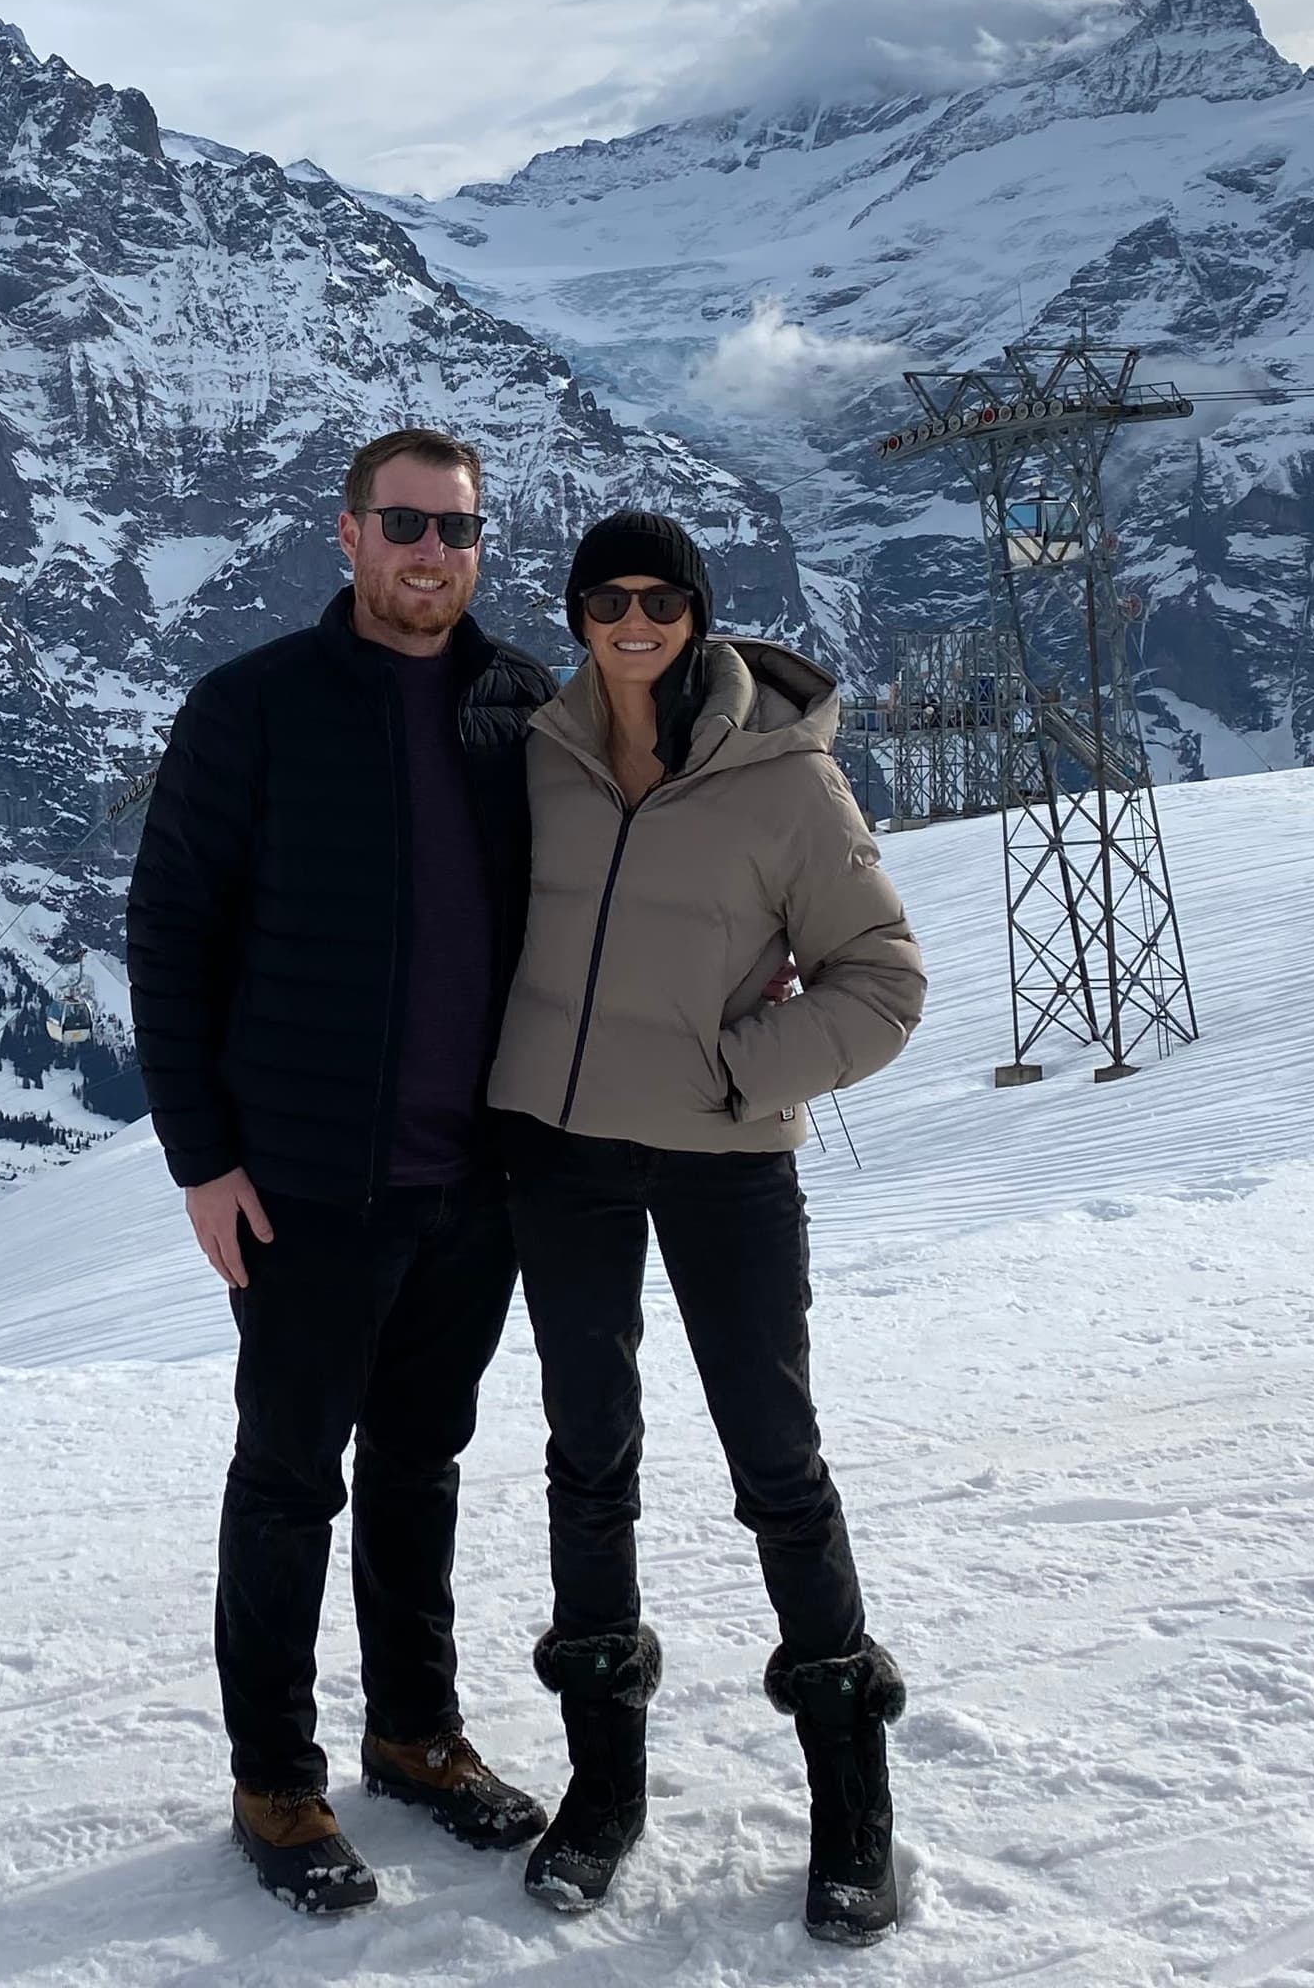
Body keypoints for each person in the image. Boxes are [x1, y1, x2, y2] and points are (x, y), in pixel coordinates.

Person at [126, 426, 562, 1915]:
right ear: (348, 534)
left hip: (474, 1182)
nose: (433, 552)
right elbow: (171, 936)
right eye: (406, 524)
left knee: (421, 1468)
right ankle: (276, 1780)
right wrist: (204, 1162)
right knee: (289, 1479)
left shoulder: (521, 706)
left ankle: (416, 1735)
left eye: (459, 530)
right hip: (306, 1184)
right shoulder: (251, 708)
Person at [486, 510, 926, 1941]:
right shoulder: (539, 757)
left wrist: (740, 1073)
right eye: (606, 597)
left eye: (660, 599)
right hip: (560, 1155)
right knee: (586, 1454)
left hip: (724, 1161)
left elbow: (883, 980)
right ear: (575, 611)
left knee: (775, 1458)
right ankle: (603, 1789)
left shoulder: (787, 782)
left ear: (697, 612)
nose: (633, 621)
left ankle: (853, 1806)